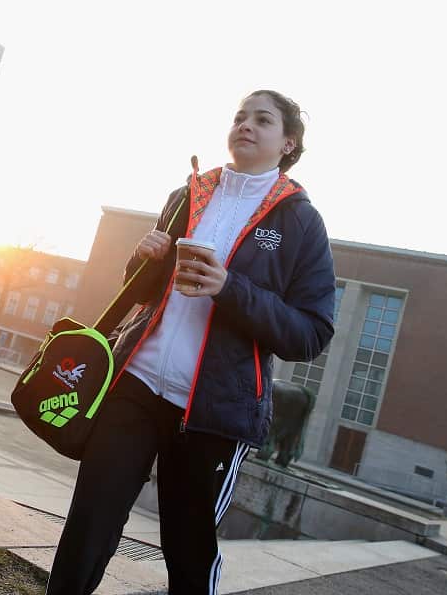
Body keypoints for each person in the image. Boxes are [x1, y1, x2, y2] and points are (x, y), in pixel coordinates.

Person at [45, 90, 336, 595]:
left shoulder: (300, 222)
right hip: (134, 384)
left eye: (262, 120)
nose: (246, 124)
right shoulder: (189, 193)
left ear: (288, 143)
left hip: (212, 413)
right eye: (240, 116)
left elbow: (312, 332)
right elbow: (141, 292)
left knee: (187, 550)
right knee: (89, 523)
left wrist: (231, 288)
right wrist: (144, 259)